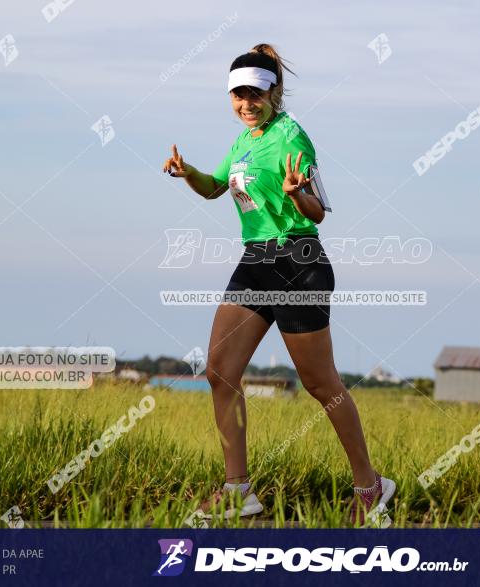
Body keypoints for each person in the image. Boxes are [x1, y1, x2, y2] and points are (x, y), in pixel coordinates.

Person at [162, 43, 395, 526]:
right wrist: (187, 174)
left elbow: (316, 212)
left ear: (275, 91)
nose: (245, 103)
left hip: (297, 259)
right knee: (220, 370)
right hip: (255, 261)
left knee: (319, 382)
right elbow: (214, 188)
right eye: (237, 95)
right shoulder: (245, 141)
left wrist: (298, 192)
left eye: (255, 94)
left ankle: (371, 486)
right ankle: (237, 491)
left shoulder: (292, 137)